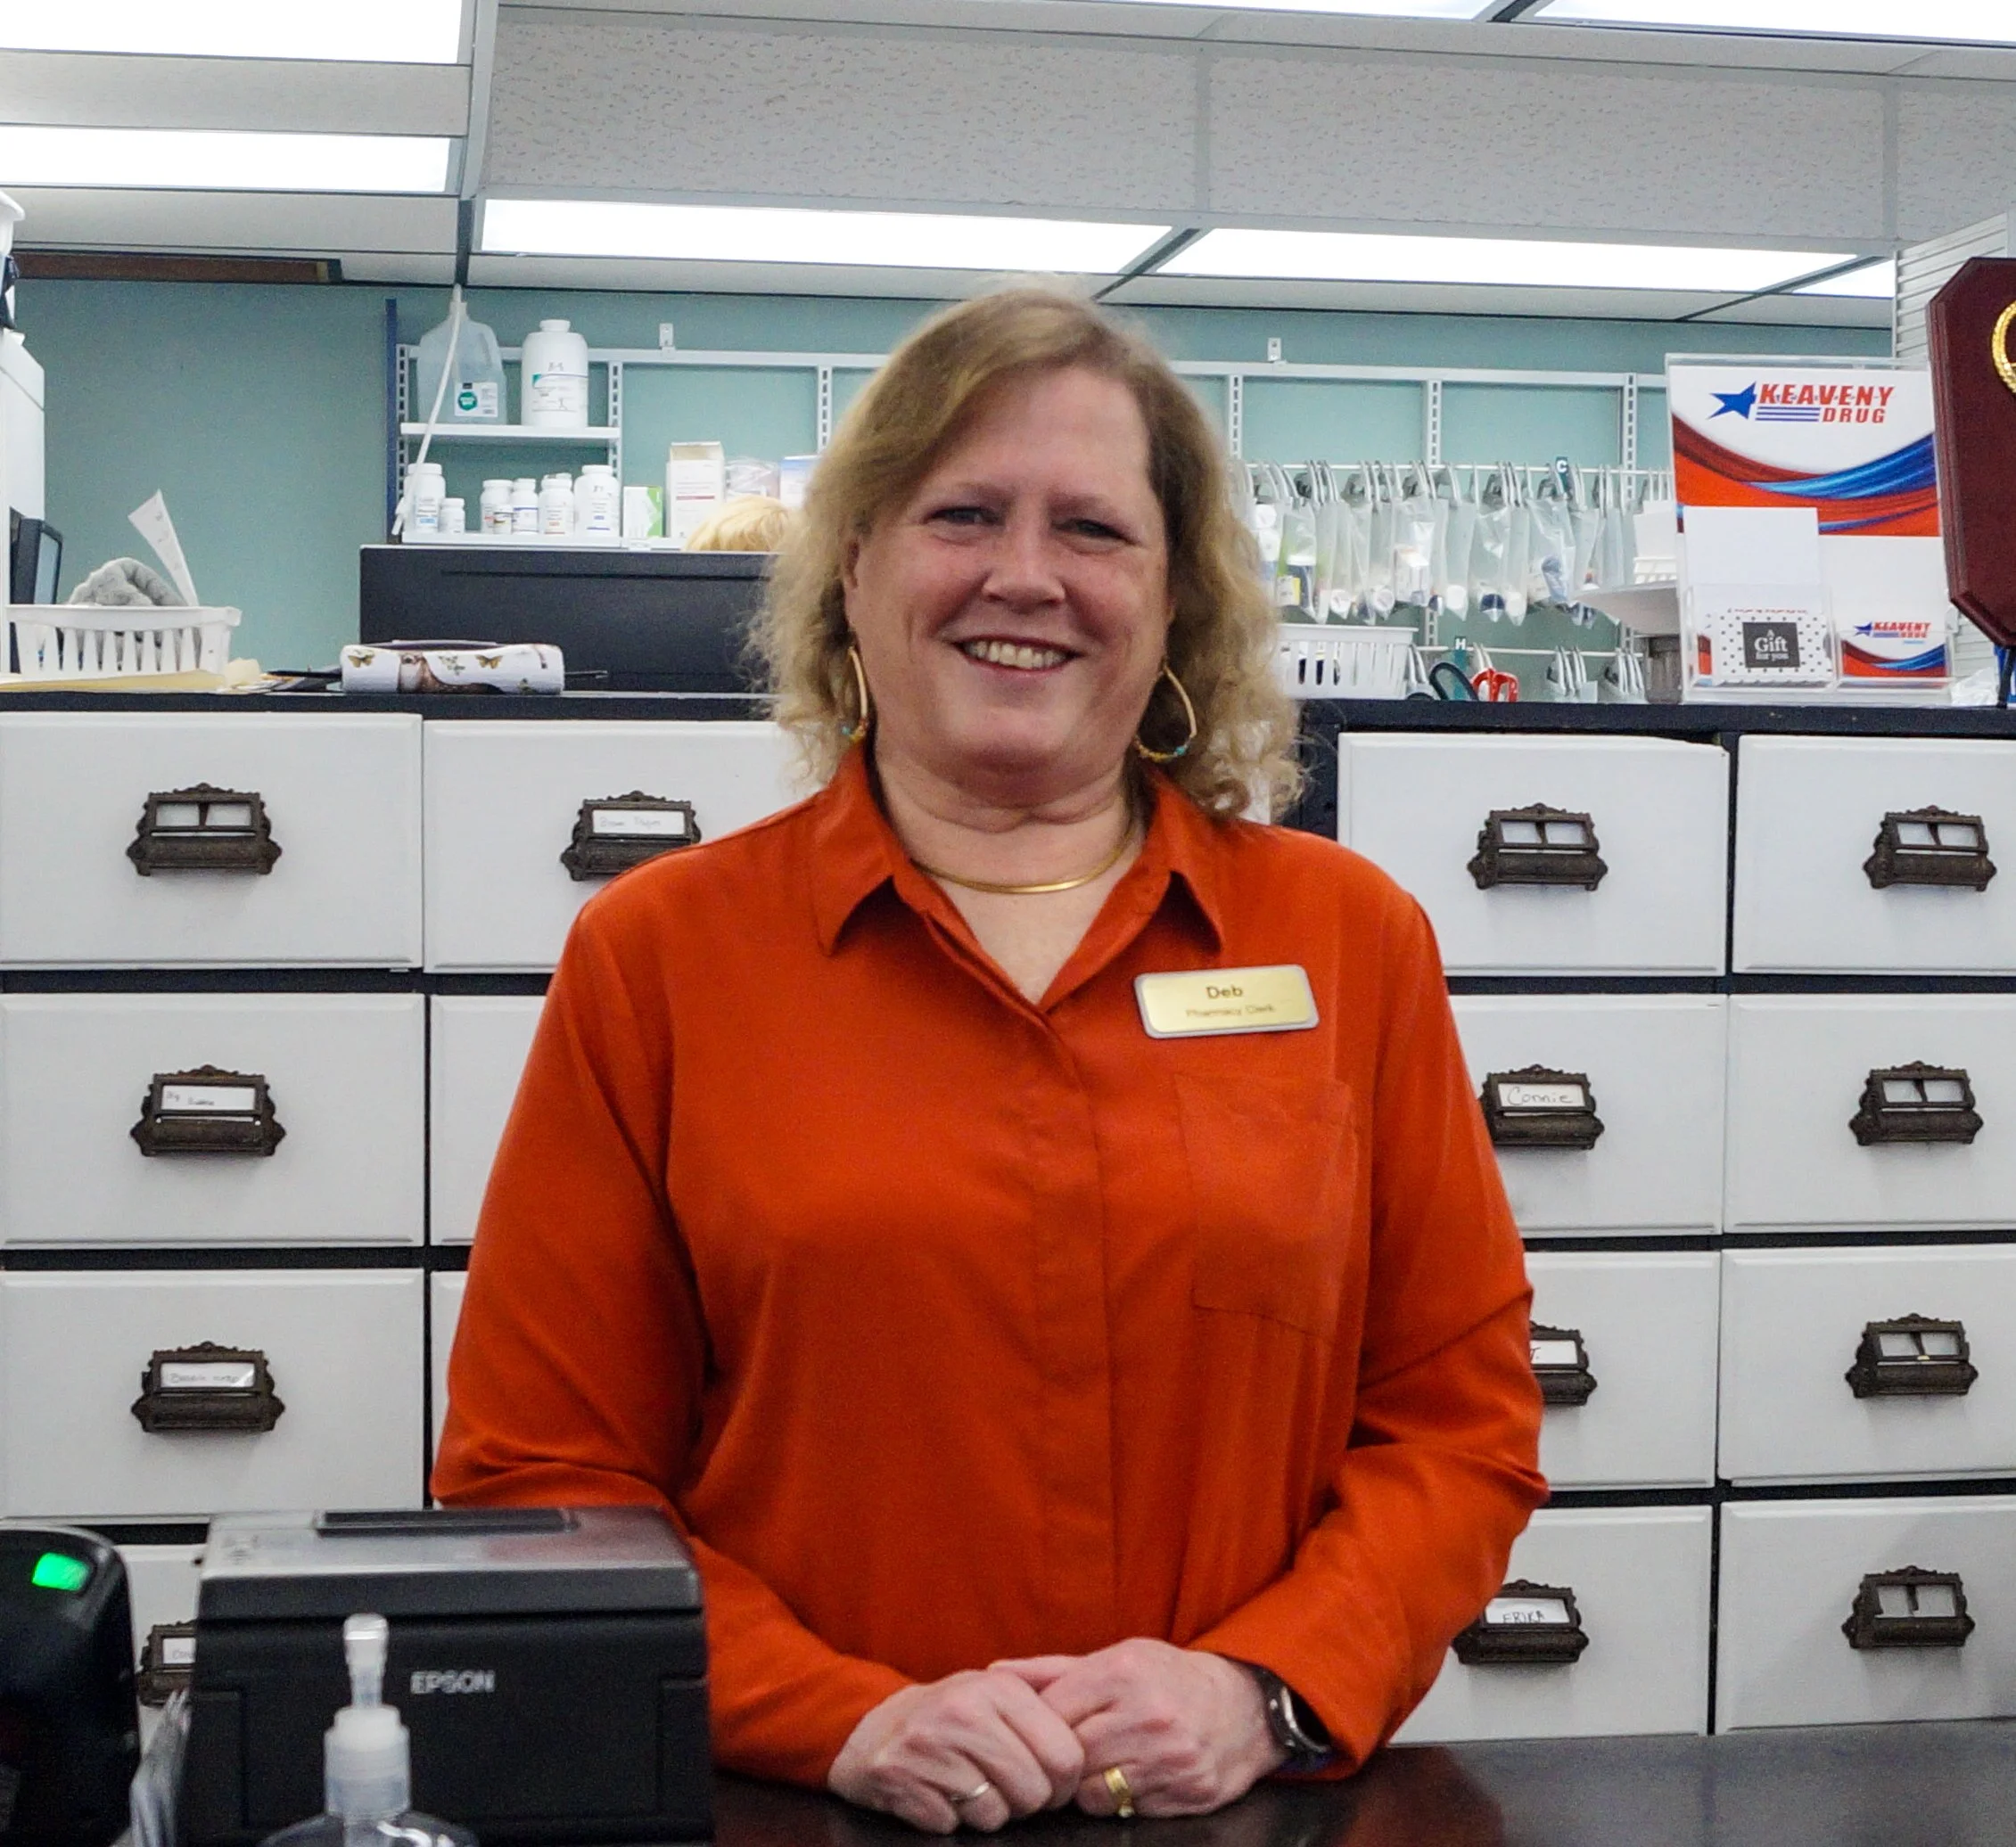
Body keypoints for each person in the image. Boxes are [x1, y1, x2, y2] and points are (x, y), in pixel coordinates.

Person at [433, 286, 1544, 1834]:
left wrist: (1264, 1686)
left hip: (1235, 1813)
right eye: (962, 513)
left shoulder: (1349, 943)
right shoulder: (663, 961)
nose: (1024, 576)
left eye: (1093, 530)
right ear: (856, 570)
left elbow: (1458, 1422)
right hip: (812, 1806)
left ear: (1176, 603)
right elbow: (540, 1485)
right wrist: (842, 1717)